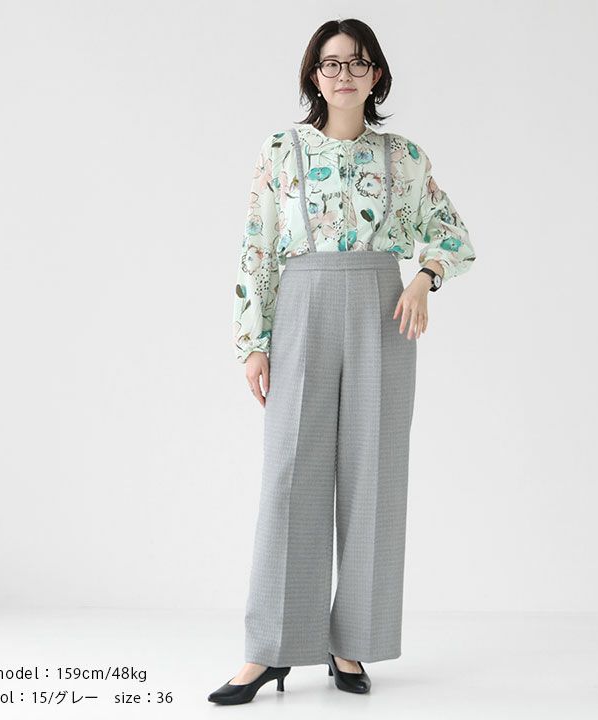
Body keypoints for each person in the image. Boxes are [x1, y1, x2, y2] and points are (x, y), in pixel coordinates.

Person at [208, 17, 476, 705]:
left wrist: (423, 279)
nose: (345, 74)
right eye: (331, 64)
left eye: (358, 63)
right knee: (290, 473)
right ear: (314, 76)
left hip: (383, 308)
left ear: (376, 75)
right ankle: (269, 650)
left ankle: (350, 642)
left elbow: (451, 233)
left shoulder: (403, 157)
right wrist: (254, 342)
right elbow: (257, 245)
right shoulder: (282, 150)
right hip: (302, 302)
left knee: (374, 473)